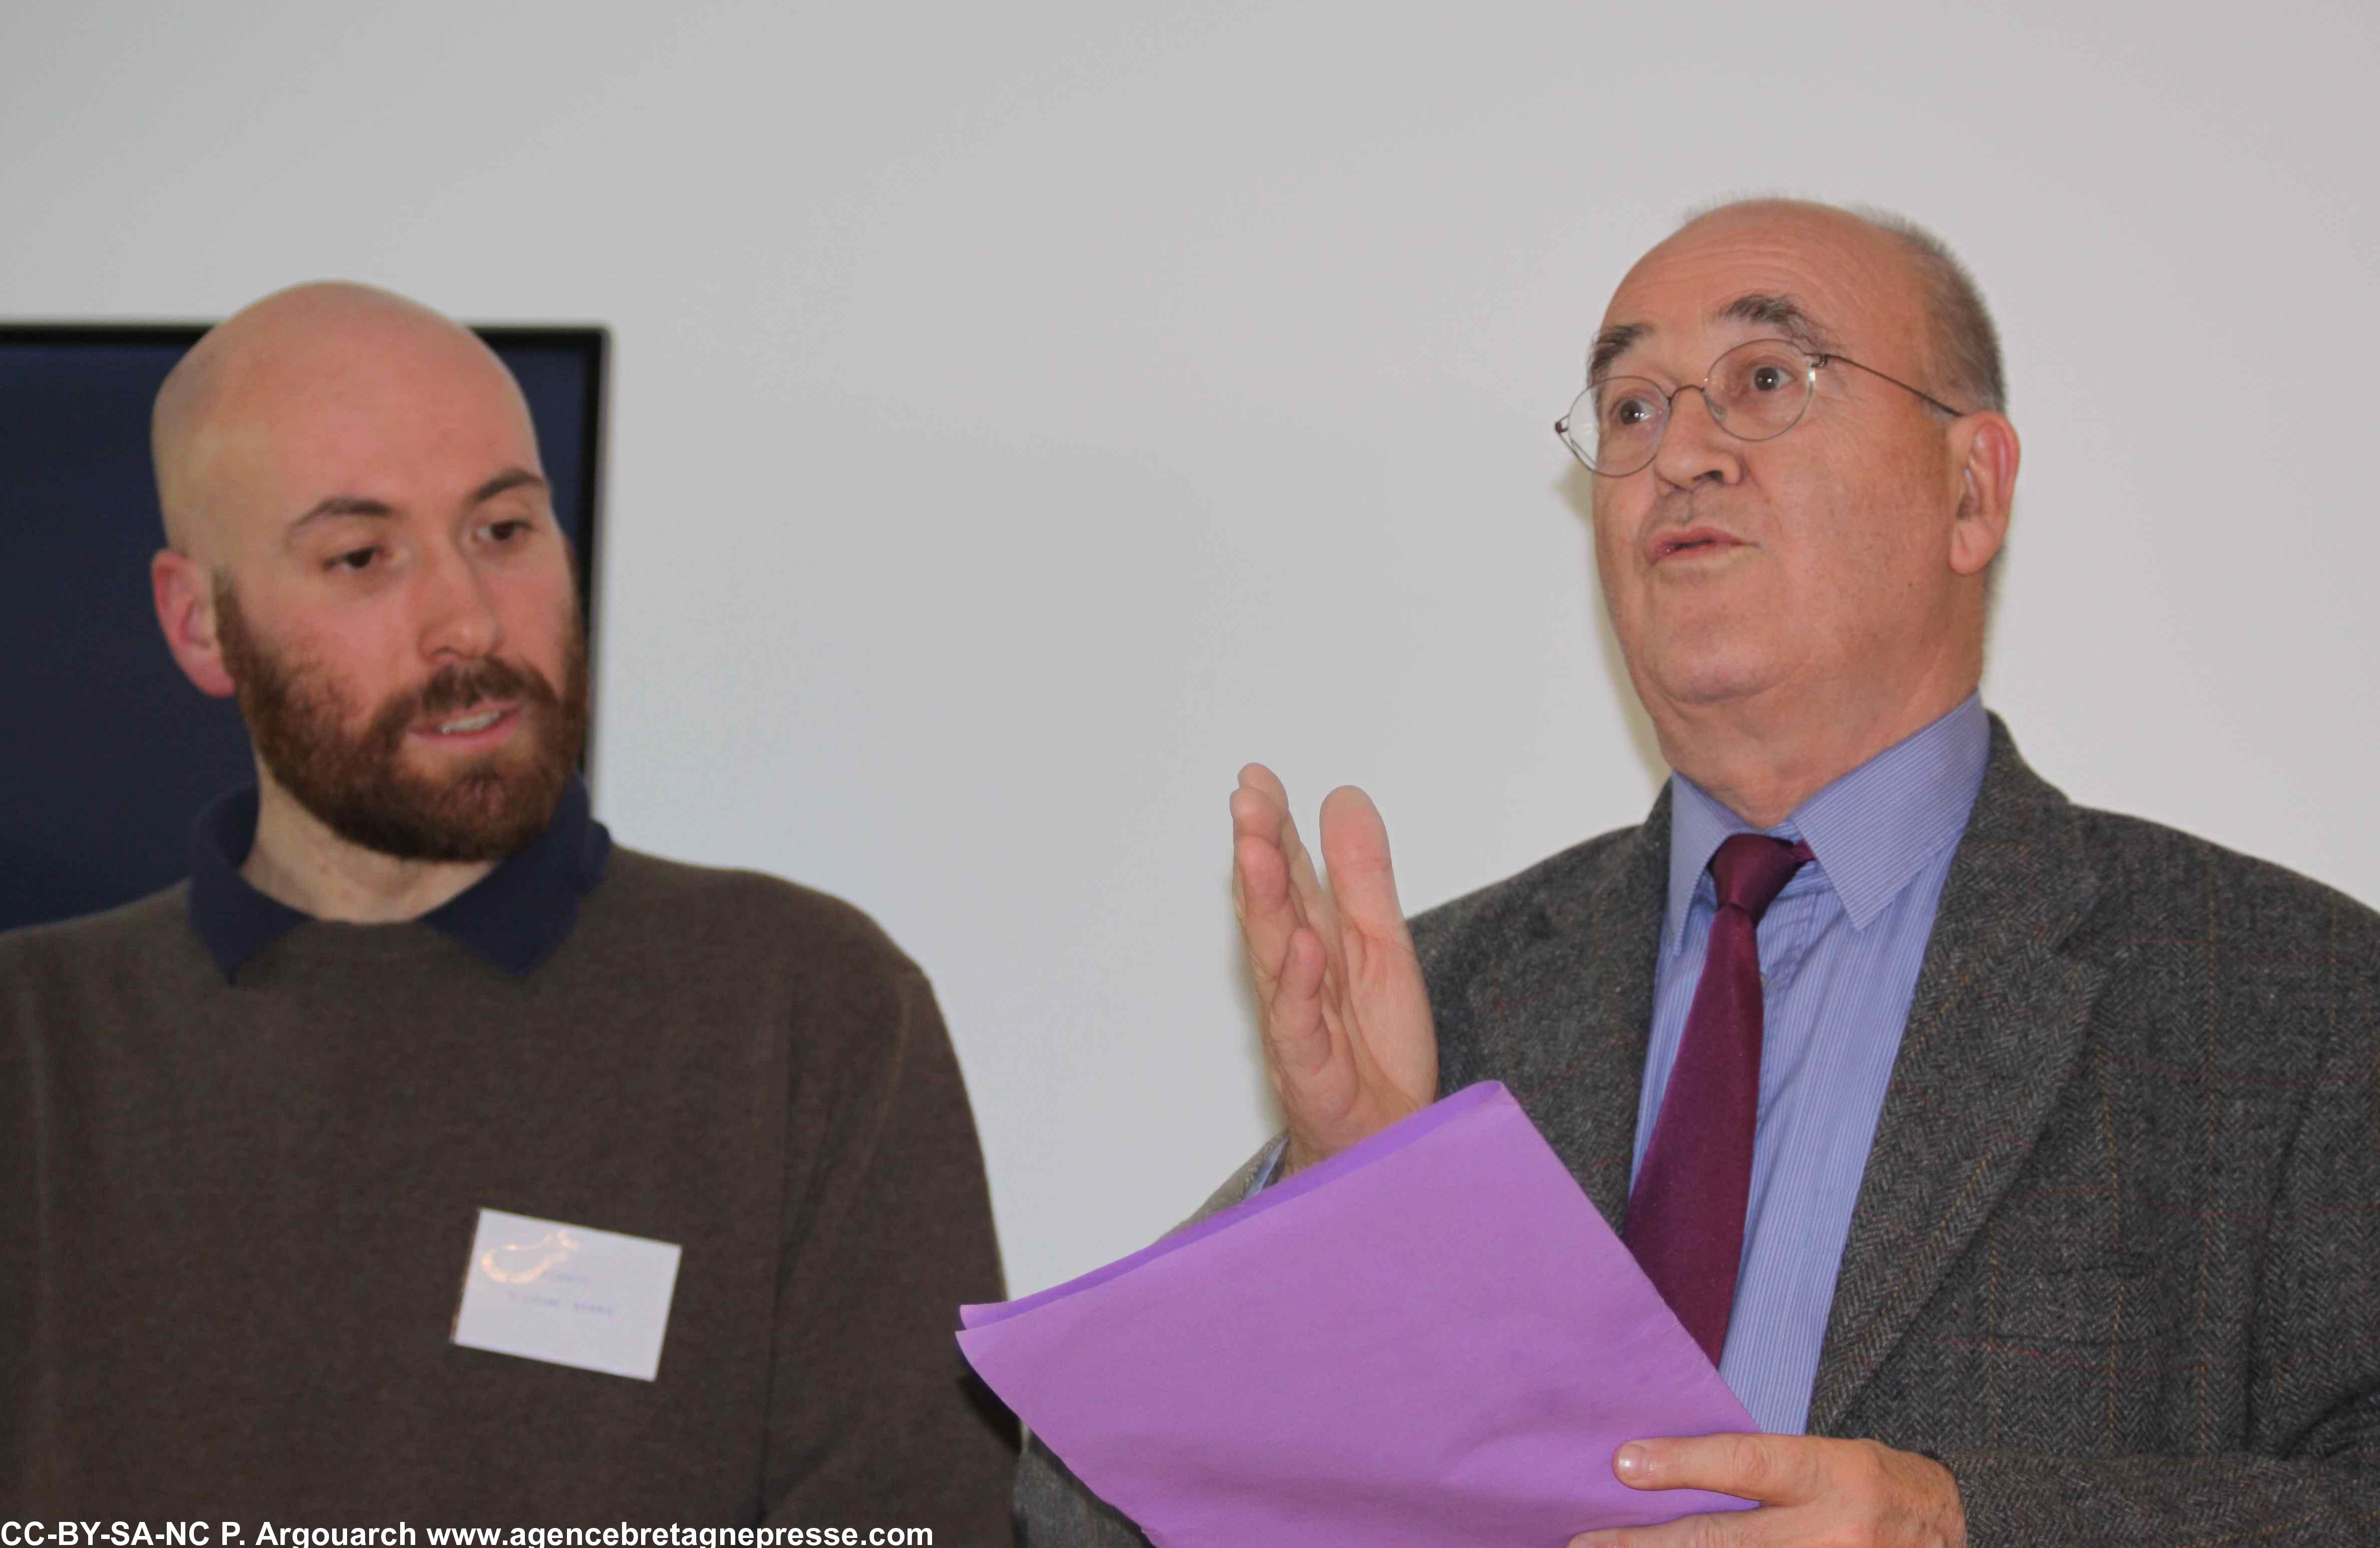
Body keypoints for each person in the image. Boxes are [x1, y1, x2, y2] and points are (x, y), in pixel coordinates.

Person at [1018, 199, 2380, 1545]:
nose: (1681, 455)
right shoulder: (1440, 1009)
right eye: (1631, 409)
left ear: (1974, 488)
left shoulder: (2295, 1000)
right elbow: (1066, 1511)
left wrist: (1957, 1528)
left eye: (1765, 381)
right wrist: (1343, 1222)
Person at [0, 282, 1014, 1533]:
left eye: (504, 529)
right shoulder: (33, 1047)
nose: (468, 621)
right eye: (363, 556)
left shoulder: (801, 1011)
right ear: (200, 624)